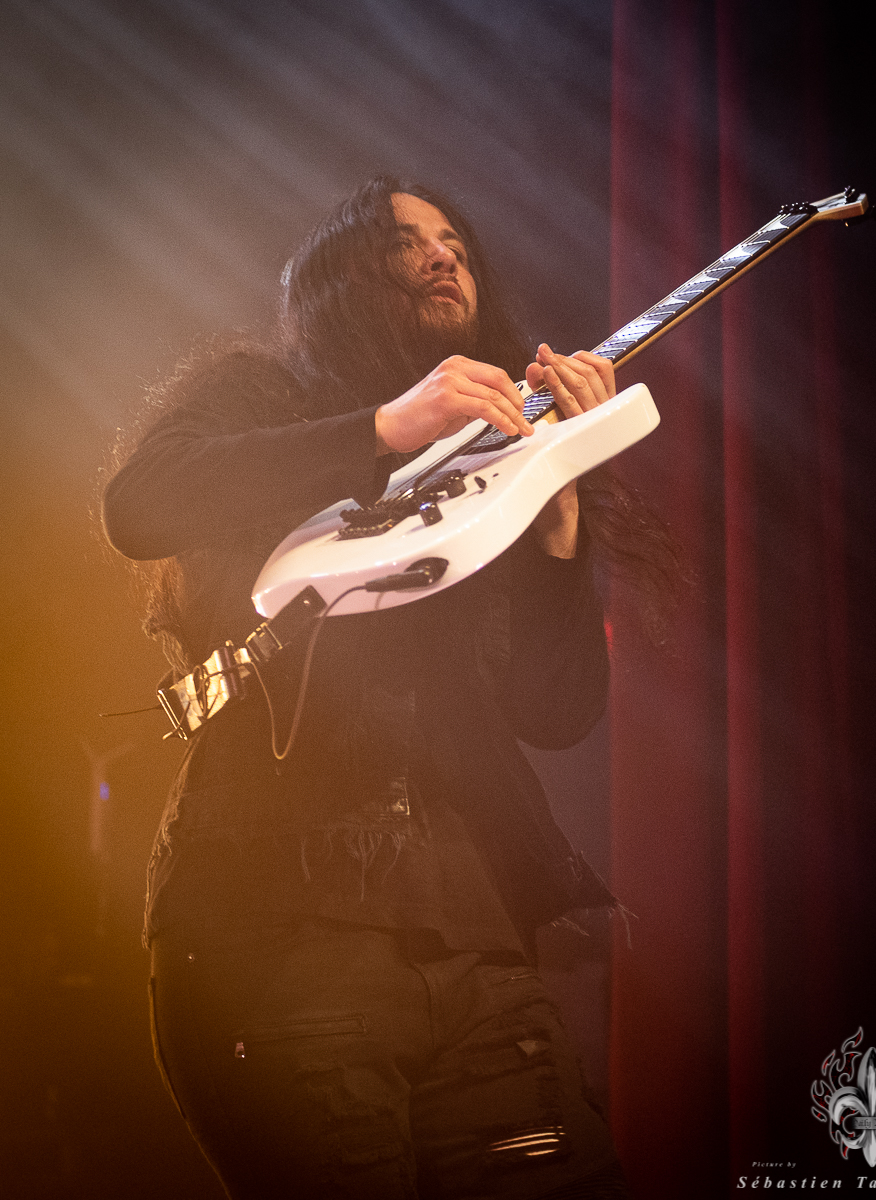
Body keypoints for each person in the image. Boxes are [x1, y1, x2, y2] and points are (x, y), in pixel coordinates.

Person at [104, 177, 657, 1199]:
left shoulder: (490, 475)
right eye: (406, 242)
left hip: (480, 947)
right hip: (283, 935)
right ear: (339, 277)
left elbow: (557, 712)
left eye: (457, 243)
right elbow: (139, 504)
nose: (444, 256)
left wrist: (558, 510)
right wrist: (385, 427)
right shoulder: (260, 391)